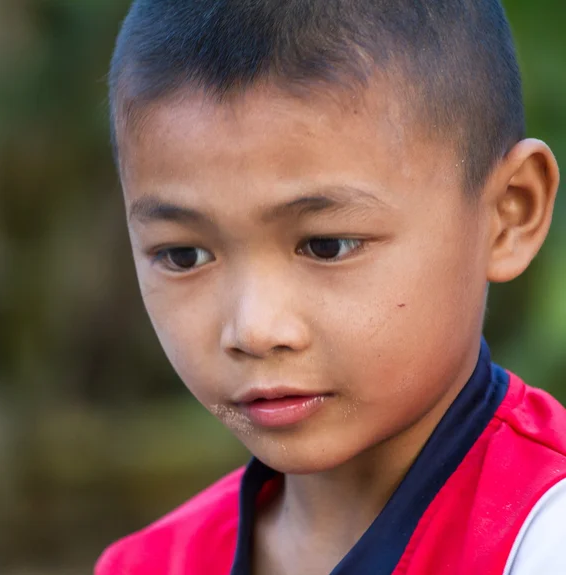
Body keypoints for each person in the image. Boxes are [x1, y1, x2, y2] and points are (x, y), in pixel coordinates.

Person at [95, 1, 564, 573]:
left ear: (509, 214)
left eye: (326, 246)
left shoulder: (542, 538)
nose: (254, 330)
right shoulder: (146, 564)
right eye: (183, 255)